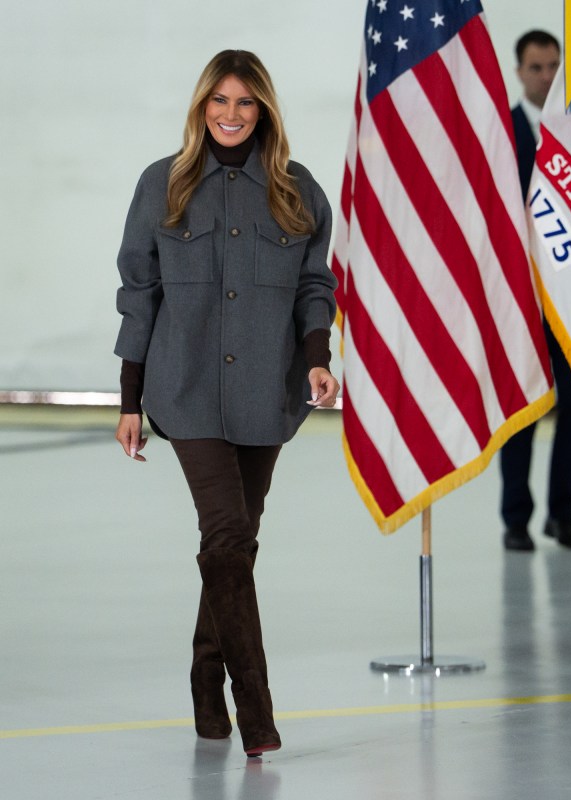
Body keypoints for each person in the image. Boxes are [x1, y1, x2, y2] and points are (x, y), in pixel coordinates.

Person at [112, 50, 338, 757]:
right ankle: (257, 711)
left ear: (264, 109)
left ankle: (205, 679)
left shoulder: (299, 191)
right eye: (220, 102)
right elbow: (138, 294)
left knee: (231, 541)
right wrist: (128, 399)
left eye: (245, 103)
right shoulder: (164, 184)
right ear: (201, 107)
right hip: (186, 393)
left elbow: (313, 286)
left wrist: (318, 359)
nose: (231, 116)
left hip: (267, 394)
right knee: (228, 533)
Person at [500, 30, 571, 552]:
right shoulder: (502, 131)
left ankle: (563, 513)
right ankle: (515, 518)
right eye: (537, 67)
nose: (547, 76)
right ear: (520, 72)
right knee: (524, 411)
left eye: (554, 66)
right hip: (521, 300)